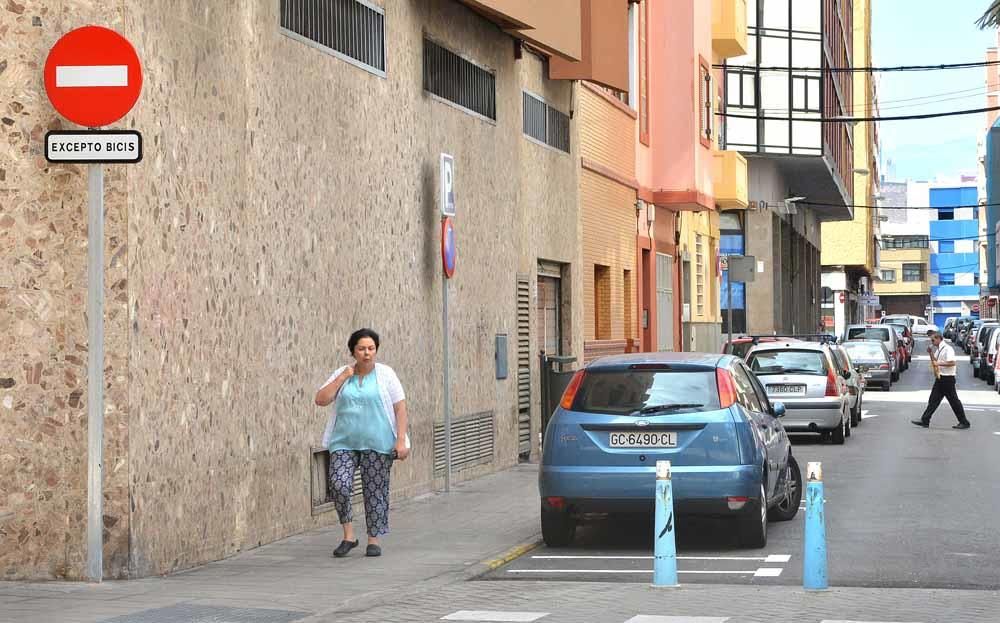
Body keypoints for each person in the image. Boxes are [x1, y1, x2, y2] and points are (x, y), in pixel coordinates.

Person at [315, 328, 410, 558]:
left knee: (375, 491)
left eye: (371, 348)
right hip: (343, 442)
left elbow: (400, 408)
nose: (367, 353)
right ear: (353, 351)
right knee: (339, 484)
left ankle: (373, 539)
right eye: (361, 349)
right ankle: (349, 535)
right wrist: (342, 378)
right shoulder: (342, 373)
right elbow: (321, 399)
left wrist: (400, 440)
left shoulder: (386, 374)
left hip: (378, 443)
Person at [912, 331, 971, 430]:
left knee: (954, 401)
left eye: (933, 340)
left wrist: (939, 364)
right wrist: (930, 353)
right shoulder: (939, 349)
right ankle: (925, 420)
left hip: (947, 378)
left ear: (939, 338)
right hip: (940, 377)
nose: (932, 342)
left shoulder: (948, 349)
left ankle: (964, 422)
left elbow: (952, 363)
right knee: (933, 399)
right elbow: (935, 361)